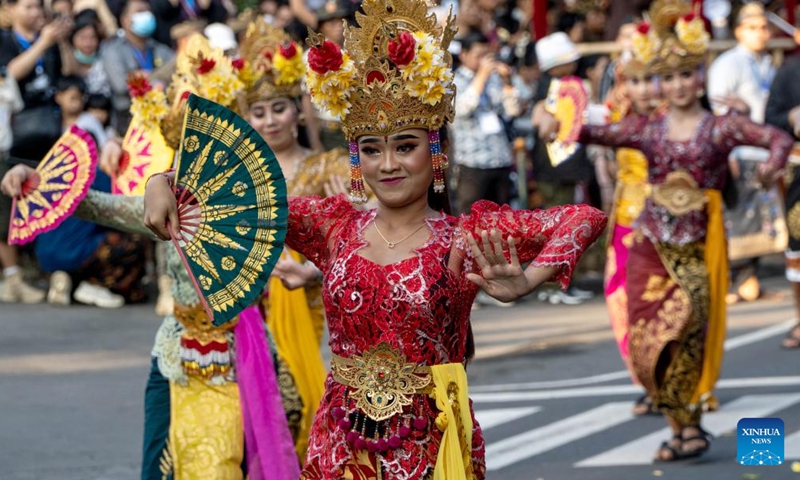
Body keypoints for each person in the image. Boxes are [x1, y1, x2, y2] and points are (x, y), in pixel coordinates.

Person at [143, 2, 607, 477]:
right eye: (371, 149)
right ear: (355, 158)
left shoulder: (463, 237)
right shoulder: (334, 225)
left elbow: (585, 217)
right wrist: (161, 180)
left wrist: (529, 279)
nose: (388, 164)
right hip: (339, 442)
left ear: (436, 153)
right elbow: (233, 201)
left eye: (405, 146)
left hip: (430, 445)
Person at [2, 36, 304, 479]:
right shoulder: (172, 203)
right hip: (176, 350)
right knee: (159, 464)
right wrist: (37, 179)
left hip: (243, 352)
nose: (191, 164)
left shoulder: (253, 204)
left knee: (241, 459)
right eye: (183, 154)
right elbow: (101, 205)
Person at [538, 0, 792, 461]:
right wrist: (555, 120)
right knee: (646, 339)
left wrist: (771, 169)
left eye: (685, 75)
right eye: (668, 77)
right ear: (661, 81)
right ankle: (677, 425)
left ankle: (690, 425)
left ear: (699, 77)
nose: (676, 85)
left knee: (688, 333)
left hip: (697, 247)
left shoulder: (721, 127)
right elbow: (596, 134)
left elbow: (777, 138)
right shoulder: (648, 129)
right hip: (650, 246)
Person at [37, 75, 145, 307]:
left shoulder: (60, 175)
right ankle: (97, 285)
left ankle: (63, 278)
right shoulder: (104, 177)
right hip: (76, 251)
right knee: (133, 237)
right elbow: (122, 216)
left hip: (45, 253)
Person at [708, 2, 780, 305]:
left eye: (764, 27)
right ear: (739, 31)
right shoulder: (728, 63)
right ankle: (736, 280)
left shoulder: (768, 63)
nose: (760, 33)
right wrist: (730, 152)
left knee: (762, 217)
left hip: (764, 150)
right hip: (740, 150)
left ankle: (749, 279)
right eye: (752, 27)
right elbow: (720, 110)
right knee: (739, 216)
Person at [601, 57, 662, 416]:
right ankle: (644, 378)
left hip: (661, 222)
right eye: (632, 81)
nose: (640, 89)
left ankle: (668, 381)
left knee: (656, 304)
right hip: (624, 218)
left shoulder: (673, 120)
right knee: (619, 299)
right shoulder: (616, 117)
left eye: (648, 80)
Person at [765, 31, 800, 349]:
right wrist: (791, 116)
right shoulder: (789, 71)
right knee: (798, 241)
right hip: (799, 169)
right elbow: (770, 119)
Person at [0, 67, 45, 304]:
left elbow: (15, 107)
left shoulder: (5, 78)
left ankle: (12, 281)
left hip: (3, 153)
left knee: (6, 219)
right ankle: (12, 279)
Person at [99, 0, 174, 134]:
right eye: (140, 12)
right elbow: (121, 85)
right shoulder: (112, 50)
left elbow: (176, 77)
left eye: (148, 11)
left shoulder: (162, 49)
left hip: (164, 118)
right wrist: (159, 77)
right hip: (127, 123)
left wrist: (141, 76)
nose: (147, 15)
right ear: (125, 20)